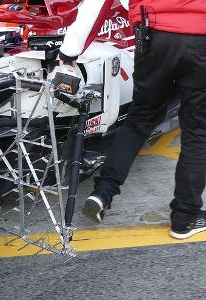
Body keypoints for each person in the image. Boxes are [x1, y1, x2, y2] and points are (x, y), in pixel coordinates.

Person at [58, 0, 206, 239]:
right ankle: (185, 218)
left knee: (140, 119)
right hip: (201, 38)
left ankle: (103, 192)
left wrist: (69, 52)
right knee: (198, 131)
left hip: (153, 35)